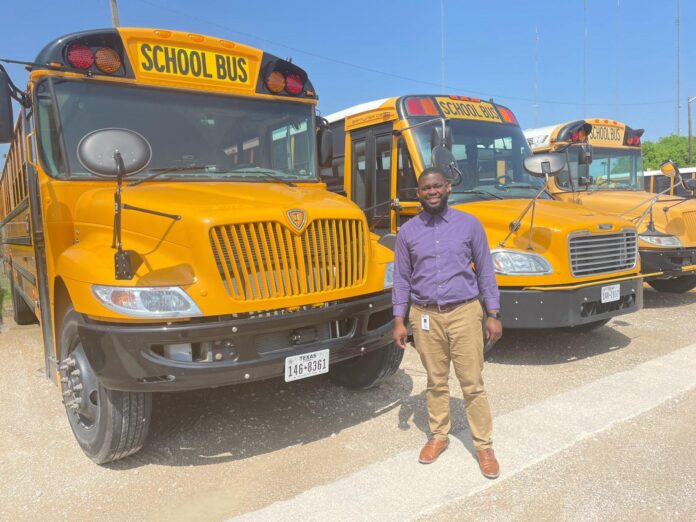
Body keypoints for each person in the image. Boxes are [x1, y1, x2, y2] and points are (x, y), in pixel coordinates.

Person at [392, 167, 503, 479]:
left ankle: (484, 445)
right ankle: (438, 436)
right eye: (426, 188)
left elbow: (485, 271)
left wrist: (493, 313)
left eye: (437, 186)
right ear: (418, 193)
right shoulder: (408, 232)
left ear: (448, 188)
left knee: (472, 382)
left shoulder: (469, 225)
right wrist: (399, 319)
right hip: (425, 314)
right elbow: (401, 279)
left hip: (465, 312)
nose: (432, 192)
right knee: (436, 380)